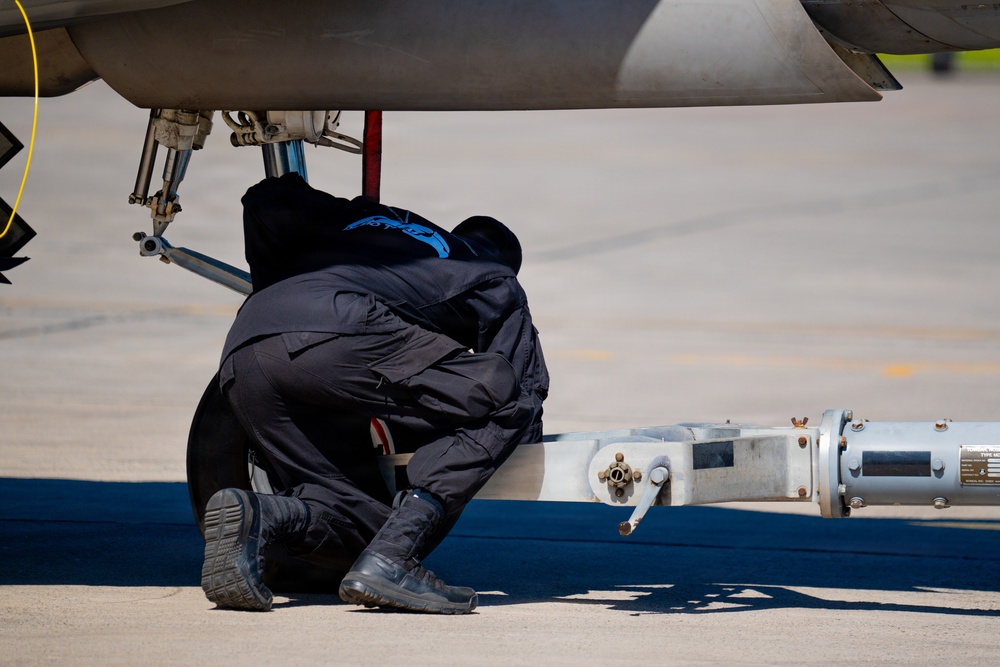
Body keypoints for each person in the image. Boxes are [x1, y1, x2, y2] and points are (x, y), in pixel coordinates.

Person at [200, 173, 548, 614]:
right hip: (340, 331)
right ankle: (394, 556)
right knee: (506, 397)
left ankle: (261, 514)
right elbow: (523, 393)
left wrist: (278, 294)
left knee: (355, 517)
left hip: (245, 346)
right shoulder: (491, 272)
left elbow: (267, 201)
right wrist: (487, 450)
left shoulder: (371, 220)